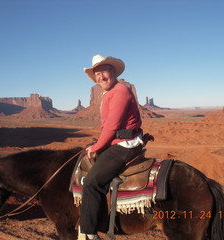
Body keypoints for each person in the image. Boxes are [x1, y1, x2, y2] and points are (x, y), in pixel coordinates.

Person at [80, 55, 143, 240]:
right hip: (120, 141)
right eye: (97, 74)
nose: (100, 77)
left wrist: (97, 147)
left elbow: (112, 126)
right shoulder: (111, 92)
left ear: (113, 72)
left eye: (103, 72)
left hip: (124, 145)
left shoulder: (120, 91)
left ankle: (90, 233)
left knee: (91, 183)